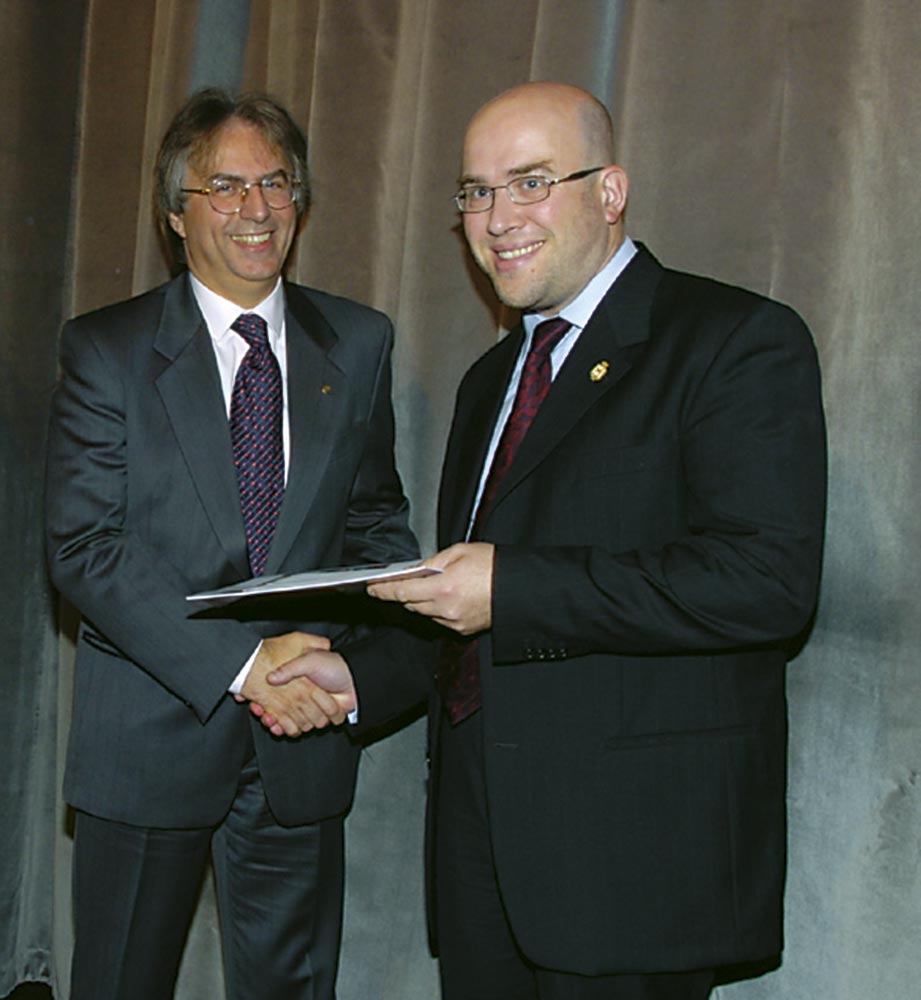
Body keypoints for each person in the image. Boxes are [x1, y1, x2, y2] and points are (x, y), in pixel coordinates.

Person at [302, 81, 826, 999]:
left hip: (634, 863)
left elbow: (764, 581)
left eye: (531, 182)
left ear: (610, 190)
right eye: (476, 191)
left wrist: (511, 589)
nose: (497, 217)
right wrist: (359, 678)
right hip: (482, 855)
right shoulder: (489, 380)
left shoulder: (732, 339)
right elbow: (468, 606)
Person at [44, 88, 423, 1000]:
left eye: (276, 183)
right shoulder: (107, 350)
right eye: (225, 186)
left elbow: (374, 526)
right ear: (175, 215)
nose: (257, 208)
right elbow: (85, 547)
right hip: (149, 743)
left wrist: (343, 669)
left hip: (299, 743)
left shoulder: (358, 343)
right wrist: (247, 667)